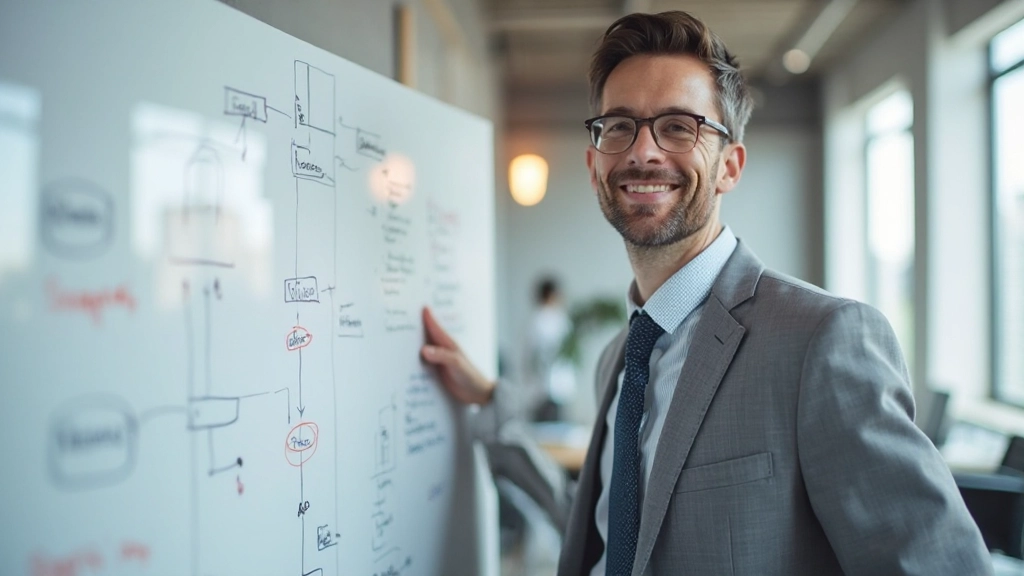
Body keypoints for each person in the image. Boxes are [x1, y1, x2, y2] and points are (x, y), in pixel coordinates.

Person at [420, 10, 990, 576]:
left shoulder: (822, 341)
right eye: (619, 126)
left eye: (678, 126)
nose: (643, 152)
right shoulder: (618, 359)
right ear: (594, 165)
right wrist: (491, 405)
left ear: (729, 167)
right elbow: (620, 538)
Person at [524, 277, 575, 422]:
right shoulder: (540, 321)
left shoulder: (558, 319)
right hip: (546, 391)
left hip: (553, 389)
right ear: (551, 295)